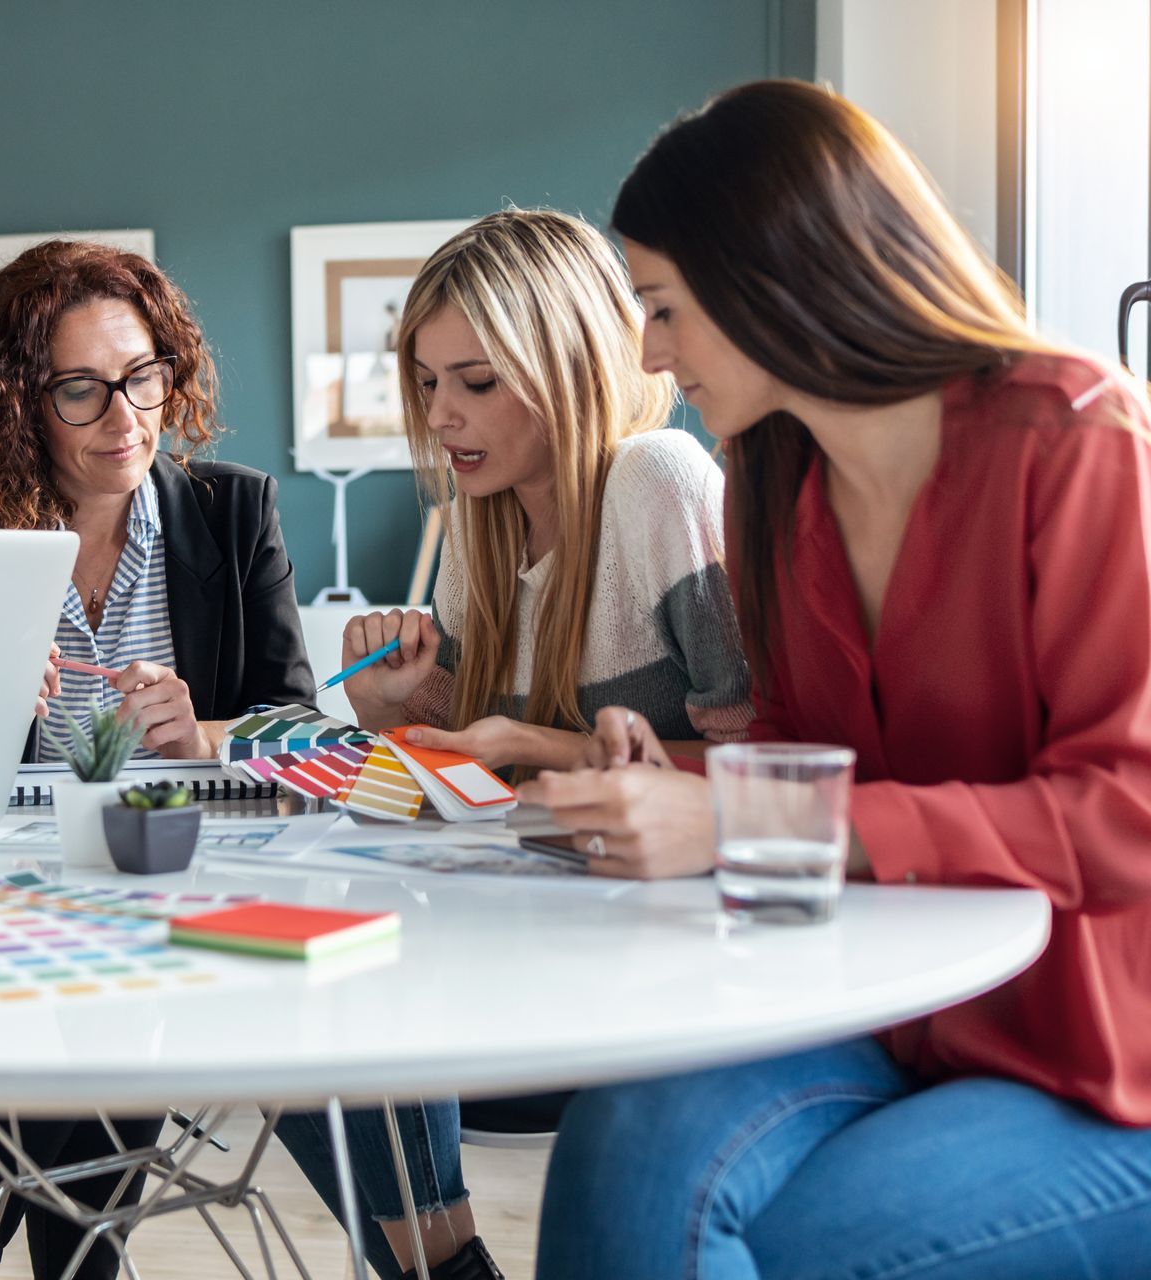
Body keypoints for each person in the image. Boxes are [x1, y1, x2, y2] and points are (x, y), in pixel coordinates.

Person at [528, 80, 1151, 1278]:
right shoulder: (772, 476)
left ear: (772, 268)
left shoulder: (1077, 439)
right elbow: (805, 748)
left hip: (1090, 1052)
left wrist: (749, 810)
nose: (649, 355)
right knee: (619, 1144)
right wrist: (675, 780)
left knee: (792, 1243)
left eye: (661, 308)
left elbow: (1125, 813)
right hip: (878, 998)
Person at [273, 209, 754, 1280]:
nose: (442, 413)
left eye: (478, 381)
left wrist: (541, 740)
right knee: (272, 977)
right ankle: (451, 1266)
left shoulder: (658, 481)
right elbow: (488, 781)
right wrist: (412, 711)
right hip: (528, 933)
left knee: (314, 995)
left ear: (571, 359)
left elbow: (771, 772)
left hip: (664, 975)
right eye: (429, 380)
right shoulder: (482, 537)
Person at [0, 240, 314, 1280]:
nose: (125, 417)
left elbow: (299, 724)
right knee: (67, 1002)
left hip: (180, 875)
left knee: (93, 1001)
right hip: (16, 893)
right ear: (20, 402)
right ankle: (41, 1262)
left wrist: (205, 733)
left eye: (142, 376)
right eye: (81, 390)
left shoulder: (231, 510)